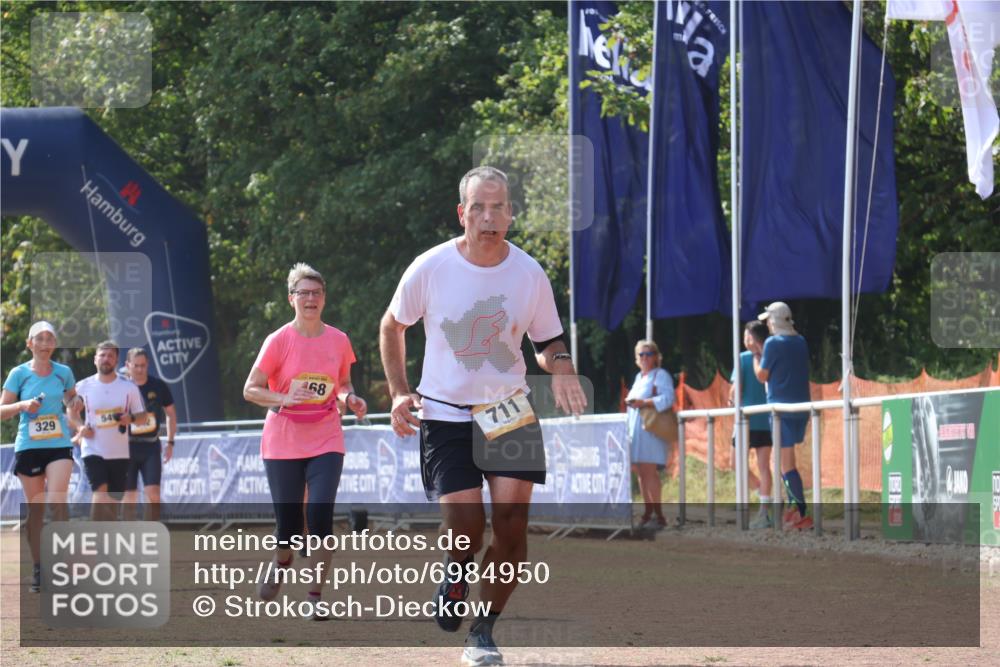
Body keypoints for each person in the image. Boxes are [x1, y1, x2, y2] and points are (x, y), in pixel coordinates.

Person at [380, 165, 587, 667]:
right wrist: (398, 393)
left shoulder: (528, 273)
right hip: (446, 413)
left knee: (513, 528)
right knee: (466, 528)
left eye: (498, 208)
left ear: (511, 215)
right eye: (479, 207)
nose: (488, 217)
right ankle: (455, 573)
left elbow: (548, 341)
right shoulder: (430, 267)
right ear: (462, 213)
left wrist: (561, 368)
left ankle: (482, 631)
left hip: (508, 410)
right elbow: (392, 326)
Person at [243, 263, 367, 620]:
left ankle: (314, 596)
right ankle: (281, 561)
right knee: (290, 529)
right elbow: (250, 389)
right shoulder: (279, 340)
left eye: (317, 293)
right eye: (304, 293)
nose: (311, 299)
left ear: (324, 298)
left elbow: (343, 383)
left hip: (326, 436)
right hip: (283, 440)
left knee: (319, 516)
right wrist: (282, 398)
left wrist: (349, 399)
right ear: (291, 299)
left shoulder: (339, 340)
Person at [0, 321, 80, 592]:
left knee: (58, 501)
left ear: (54, 344)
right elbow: (2, 410)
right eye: (40, 339)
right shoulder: (18, 374)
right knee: (36, 509)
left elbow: (72, 401)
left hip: (59, 443)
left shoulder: (64, 372)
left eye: (50, 339)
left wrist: (75, 404)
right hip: (29, 446)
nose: (45, 343)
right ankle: (38, 568)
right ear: (29, 344)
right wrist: (23, 405)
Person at [750, 302, 813, 531]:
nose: (766, 323)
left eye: (768, 319)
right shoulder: (801, 341)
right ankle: (795, 510)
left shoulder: (773, 343)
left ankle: (800, 512)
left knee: (785, 464)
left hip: (781, 410)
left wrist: (756, 356)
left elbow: (762, 375)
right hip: (801, 407)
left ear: (774, 320)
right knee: (788, 462)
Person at [68, 340, 147, 521]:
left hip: (119, 451)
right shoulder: (83, 386)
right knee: (100, 490)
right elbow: (71, 412)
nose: (106, 359)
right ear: (95, 359)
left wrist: (131, 419)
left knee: (112, 499)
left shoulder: (128, 387)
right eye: (102, 355)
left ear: (116, 360)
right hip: (93, 448)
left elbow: (142, 416)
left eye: (110, 356)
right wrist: (81, 427)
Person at [624, 340, 675, 530]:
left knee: (649, 471)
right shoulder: (639, 377)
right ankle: (648, 511)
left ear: (655, 356)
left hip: (651, 431)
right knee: (641, 472)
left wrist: (643, 402)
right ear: (636, 359)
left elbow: (668, 398)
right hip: (637, 430)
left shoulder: (660, 375)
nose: (645, 358)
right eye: (641, 355)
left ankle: (658, 514)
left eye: (649, 354)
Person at [122, 348, 176, 521]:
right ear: (127, 365)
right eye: (136, 366)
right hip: (126, 447)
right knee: (129, 497)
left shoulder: (158, 386)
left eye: (143, 366)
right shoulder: (120, 388)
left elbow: (171, 414)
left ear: (148, 365)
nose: (139, 369)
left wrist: (170, 441)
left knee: (153, 495)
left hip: (150, 446)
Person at [729, 320, 774, 529]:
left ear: (752, 337)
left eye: (747, 336)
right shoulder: (770, 356)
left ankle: (760, 495)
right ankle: (764, 507)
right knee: (764, 466)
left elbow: (735, 391)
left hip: (745, 420)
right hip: (766, 419)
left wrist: (730, 403)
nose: (746, 340)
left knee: (735, 463)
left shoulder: (743, 358)